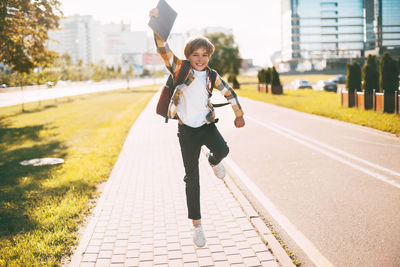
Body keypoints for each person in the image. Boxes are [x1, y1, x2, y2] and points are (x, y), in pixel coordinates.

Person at [149, 7, 245, 248]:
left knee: (223, 151)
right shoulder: (179, 68)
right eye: (196, 55)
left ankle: (214, 160)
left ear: (209, 56)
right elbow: (162, 47)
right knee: (192, 179)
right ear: (188, 56)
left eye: (205, 55)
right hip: (187, 133)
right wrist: (156, 22)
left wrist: (238, 115)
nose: (200, 59)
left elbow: (230, 93)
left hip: (206, 126)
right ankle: (197, 226)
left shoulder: (212, 75)